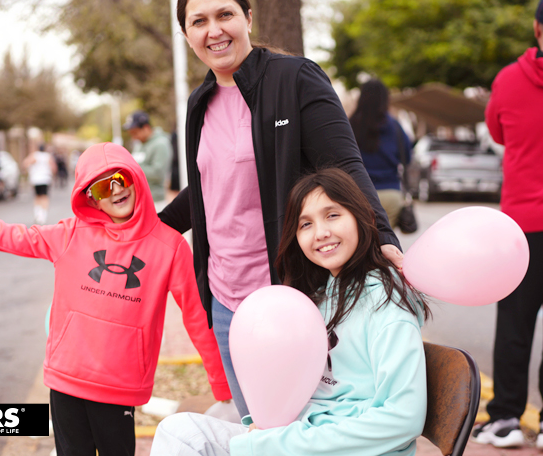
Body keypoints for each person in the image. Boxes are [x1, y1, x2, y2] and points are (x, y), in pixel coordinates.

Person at [158, 0, 404, 418]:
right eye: (199, 21)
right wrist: (144, 227)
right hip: (225, 302)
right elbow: (209, 186)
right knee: (257, 427)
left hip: (290, 292)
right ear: (185, 33)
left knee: (303, 426)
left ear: (247, 17)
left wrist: (383, 234)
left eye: (225, 14)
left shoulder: (295, 79)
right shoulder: (200, 102)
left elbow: (345, 165)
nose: (214, 30)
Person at [0, 142, 230, 456]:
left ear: (135, 177)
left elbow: (196, 315)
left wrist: (220, 382)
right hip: (66, 381)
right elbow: (7, 235)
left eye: (121, 178)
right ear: (91, 197)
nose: (115, 189)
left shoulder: (168, 246)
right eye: (102, 186)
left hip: (119, 385)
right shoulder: (69, 235)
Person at [150, 168, 431, 456]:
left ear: (362, 217)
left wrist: (274, 444)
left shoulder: (387, 301)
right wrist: (267, 430)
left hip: (342, 448)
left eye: (332, 215)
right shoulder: (319, 297)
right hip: (299, 438)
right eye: (305, 224)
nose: (321, 233)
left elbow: (403, 419)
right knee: (181, 433)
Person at [471, 0, 543, 449]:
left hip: (523, 227)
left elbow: (497, 131)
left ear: (537, 30)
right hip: (523, 224)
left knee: (515, 325)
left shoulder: (509, 79)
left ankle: (506, 419)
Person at [349, 78, 412, 228]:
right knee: (386, 244)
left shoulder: (349, 125)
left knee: (362, 243)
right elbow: (407, 157)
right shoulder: (395, 126)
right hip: (390, 193)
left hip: (358, 193)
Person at [123, 110, 173, 209]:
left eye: (135, 133)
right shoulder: (139, 144)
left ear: (146, 128)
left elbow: (158, 173)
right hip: (139, 200)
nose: (134, 137)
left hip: (155, 202)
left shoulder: (161, 144)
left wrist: (132, 168)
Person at [22, 144, 57, 224]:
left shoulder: (34, 155)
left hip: (35, 179)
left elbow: (25, 163)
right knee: (44, 197)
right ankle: (43, 215)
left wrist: (29, 170)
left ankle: (37, 213)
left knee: (37, 196)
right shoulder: (48, 156)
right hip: (45, 179)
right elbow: (54, 167)